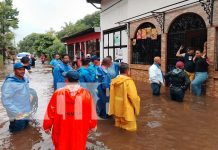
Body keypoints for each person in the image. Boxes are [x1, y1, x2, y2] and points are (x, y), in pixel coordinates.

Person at [43, 70, 97, 150]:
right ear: (78, 81)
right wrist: (92, 125)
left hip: (61, 127)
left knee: (61, 145)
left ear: (66, 80)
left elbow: (50, 111)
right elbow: (91, 112)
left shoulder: (58, 93)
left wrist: (47, 126)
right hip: (79, 128)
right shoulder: (86, 94)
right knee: (78, 145)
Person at [109, 63, 140, 131]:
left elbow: (110, 95)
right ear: (127, 71)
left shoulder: (113, 81)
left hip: (117, 110)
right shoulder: (128, 81)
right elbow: (134, 97)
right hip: (127, 111)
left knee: (118, 129)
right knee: (131, 131)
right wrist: (137, 109)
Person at [1, 62, 31, 132]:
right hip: (17, 114)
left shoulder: (25, 79)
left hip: (26, 111)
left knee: (25, 132)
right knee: (17, 133)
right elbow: (5, 101)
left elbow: (26, 93)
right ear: (14, 70)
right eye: (19, 69)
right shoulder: (9, 83)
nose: (22, 71)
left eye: (23, 69)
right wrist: (18, 113)